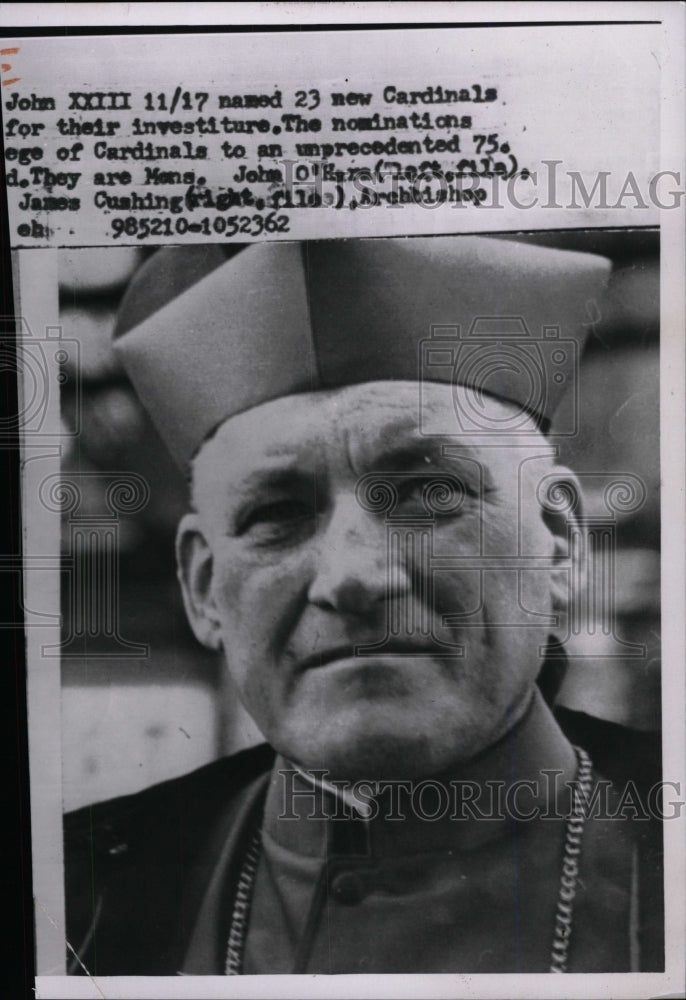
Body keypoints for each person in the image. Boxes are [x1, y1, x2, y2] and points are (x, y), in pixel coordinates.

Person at [64, 236, 663, 975]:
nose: (353, 577)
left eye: (428, 492)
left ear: (560, 542)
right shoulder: (77, 893)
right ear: (202, 586)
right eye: (278, 513)